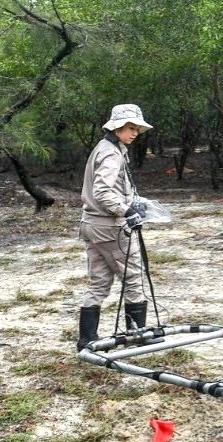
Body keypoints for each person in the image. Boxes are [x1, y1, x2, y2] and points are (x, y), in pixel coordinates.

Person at [76, 104, 153, 351]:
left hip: (91, 224)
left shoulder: (106, 147)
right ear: (117, 127)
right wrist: (127, 211)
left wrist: (133, 202)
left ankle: (87, 340)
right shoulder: (111, 153)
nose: (135, 133)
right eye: (131, 128)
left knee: (98, 282)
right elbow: (102, 191)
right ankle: (137, 336)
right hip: (109, 226)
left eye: (137, 129)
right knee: (133, 277)